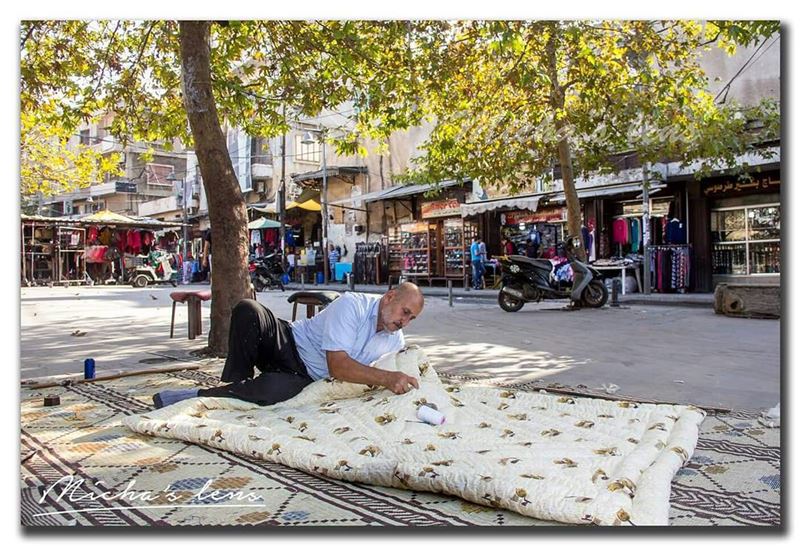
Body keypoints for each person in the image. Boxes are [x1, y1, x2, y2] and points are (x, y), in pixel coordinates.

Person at [152, 282, 425, 408]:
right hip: (287, 342)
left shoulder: (395, 339)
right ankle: (236, 382)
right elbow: (339, 365)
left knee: (269, 395)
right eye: (405, 312)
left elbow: (400, 373)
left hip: (306, 377)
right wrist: (388, 378)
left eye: (412, 318)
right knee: (249, 310)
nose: (406, 322)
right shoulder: (353, 305)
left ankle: (202, 396)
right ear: (389, 297)